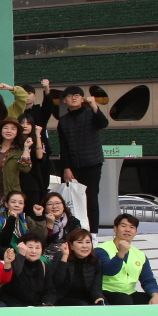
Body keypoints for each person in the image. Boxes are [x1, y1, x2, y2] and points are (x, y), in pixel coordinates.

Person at [56, 85, 108, 234]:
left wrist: (94, 106)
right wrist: (66, 168)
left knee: (91, 199)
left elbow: (103, 123)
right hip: (72, 166)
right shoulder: (63, 121)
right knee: (71, 200)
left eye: (77, 95)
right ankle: (72, 231)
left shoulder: (91, 113)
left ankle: (93, 233)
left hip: (92, 163)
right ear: (64, 100)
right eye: (70, 95)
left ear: (82, 99)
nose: (73, 97)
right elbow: (63, 147)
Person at [95, 213, 158, 305]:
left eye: (132, 227)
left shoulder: (140, 255)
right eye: (123, 226)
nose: (127, 230)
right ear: (115, 228)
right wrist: (121, 253)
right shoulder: (101, 250)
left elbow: (148, 279)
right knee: (124, 299)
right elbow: (109, 271)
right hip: (105, 292)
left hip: (129, 293)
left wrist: (155, 294)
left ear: (136, 232)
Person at [0, 232, 61, 307]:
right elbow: (14, 277)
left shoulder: (44, 266)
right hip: (13, 306)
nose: (34, 251)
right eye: (30, 247)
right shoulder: (12, 262)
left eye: (37, 248)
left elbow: (49, 290)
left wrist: (47, 302)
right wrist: (21, 255)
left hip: (37, 306)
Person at [52, 227, 104, 306]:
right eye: (80, 242)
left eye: (88, 242)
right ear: (71, 245)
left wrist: (98, 297)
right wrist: (65, 256)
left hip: (86, 299)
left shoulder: (95, 261)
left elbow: (96, 287)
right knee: (82, 305)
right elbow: (57, 281)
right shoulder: (60, 256)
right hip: (63, 298)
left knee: (104, 305)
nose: (85, 246)